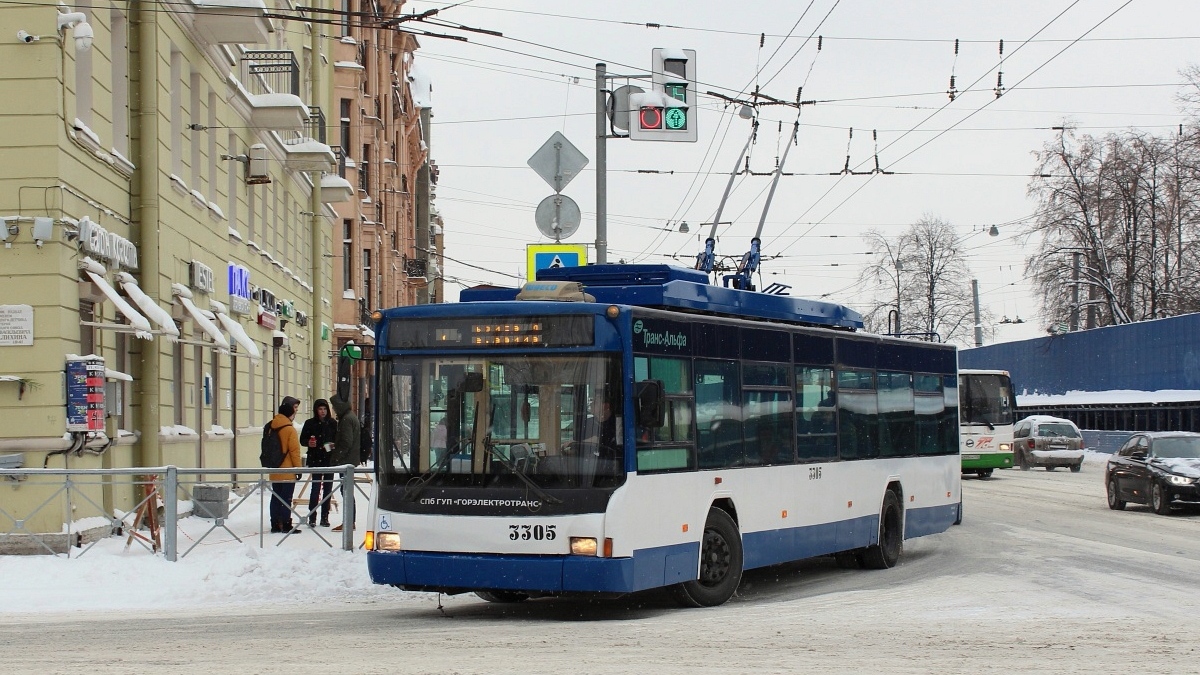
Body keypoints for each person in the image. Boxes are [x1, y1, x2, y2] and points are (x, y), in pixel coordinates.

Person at [299, 398, 337, 527]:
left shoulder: (332, 423)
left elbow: (337, 439)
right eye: (320, 409)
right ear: (316, 410)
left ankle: (325, 516)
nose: (323, 412)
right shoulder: (310, 423)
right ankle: (312, 515)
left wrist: (332, 445)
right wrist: (309, 443)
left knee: (328, 489)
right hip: (315, 459)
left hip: (329, 460)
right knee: (315, 488)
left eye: (325, 409)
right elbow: (302, 439)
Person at [268, 396, 304, 534]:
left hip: (275, 467)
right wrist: (298, 469)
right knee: (286, 498)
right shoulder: (290, 429)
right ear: (290, 414)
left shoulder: (271, 427)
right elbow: (294, 452)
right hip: (288, 469)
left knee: (275, 497)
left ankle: (275, 524)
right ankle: (286, 524)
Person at [328, 394, 361, 532]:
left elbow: (346, 442)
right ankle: (349, 521)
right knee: (346, 491)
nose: (334, 410)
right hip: (350, 459)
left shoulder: (346, 420)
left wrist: (336, 457)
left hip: (347, 462)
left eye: (335, 407)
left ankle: (348, 522)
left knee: (346, 492)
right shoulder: (350, 417)